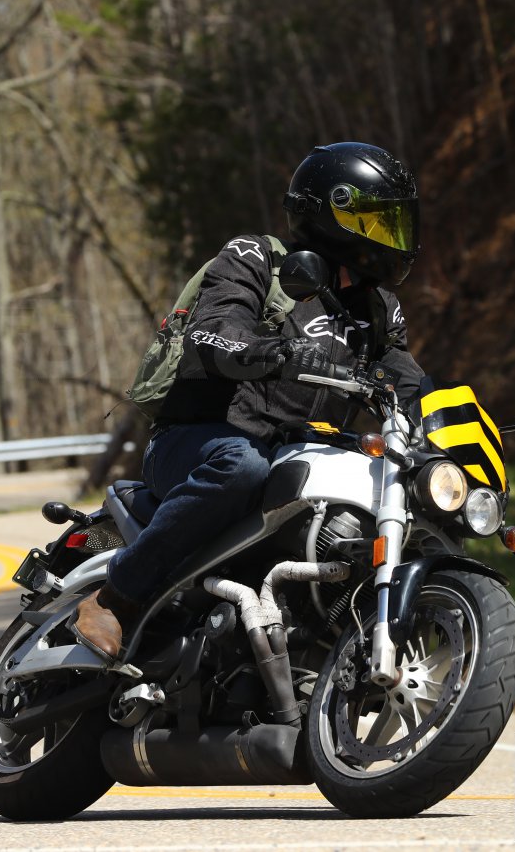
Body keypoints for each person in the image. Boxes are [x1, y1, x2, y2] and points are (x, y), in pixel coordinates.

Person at [73, 142, 427, 660]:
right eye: (377, 223)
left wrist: (453, 424)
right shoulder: (256, 258)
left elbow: (410, 381)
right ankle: (115, 597)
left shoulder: (376, 311)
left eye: (395, 224)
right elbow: (215, 332)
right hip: (195, 443)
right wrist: (278, 352)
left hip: (295, 457)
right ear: (332, 214)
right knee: (241, 465)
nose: (392, 239)